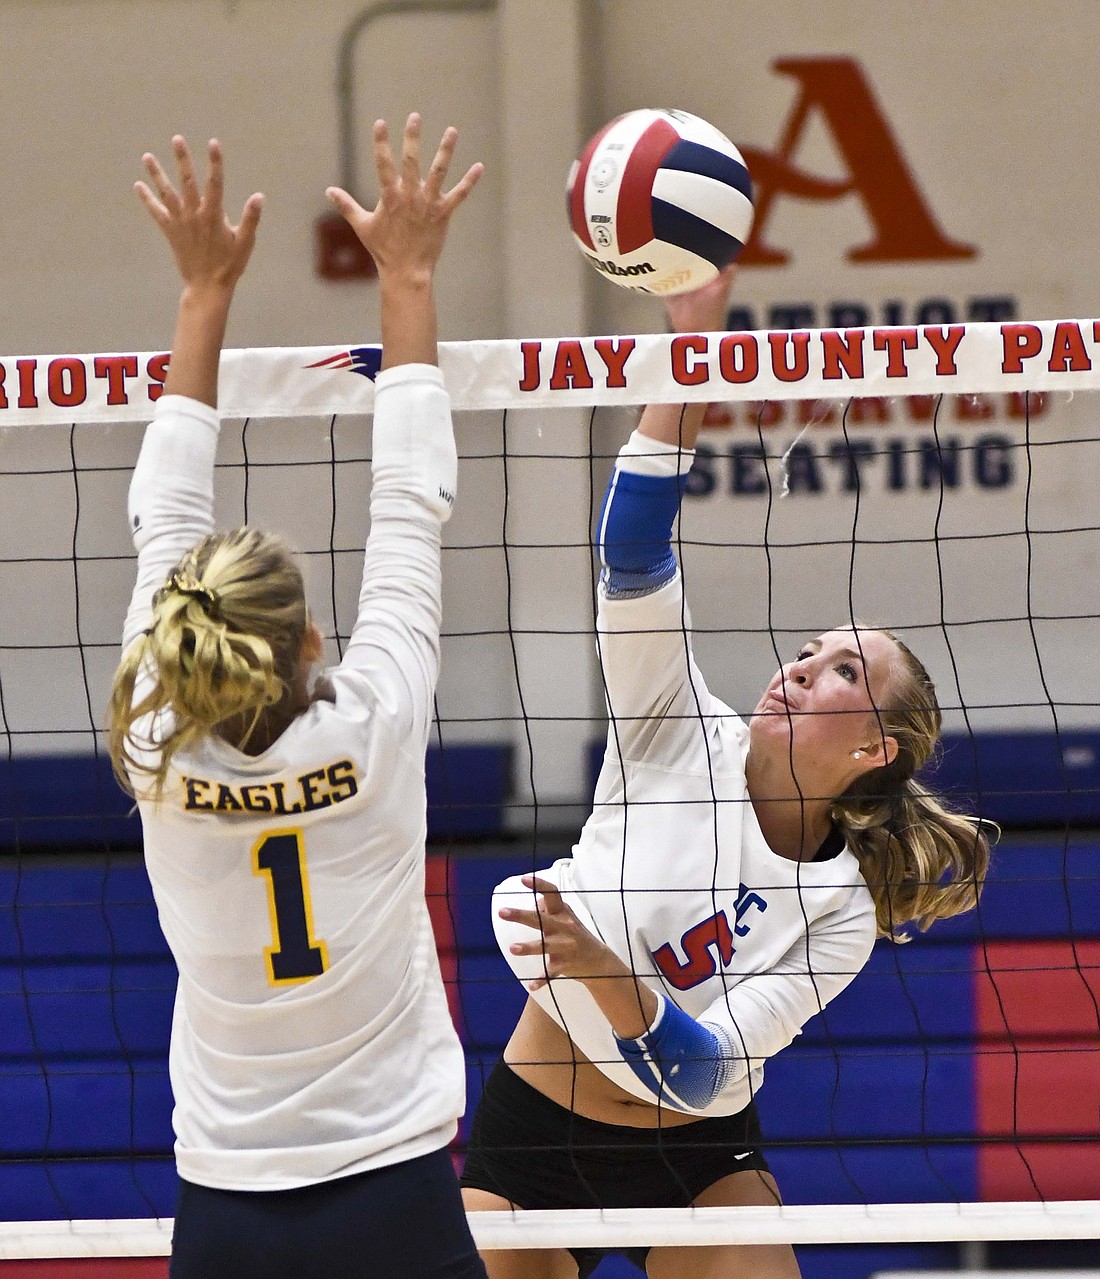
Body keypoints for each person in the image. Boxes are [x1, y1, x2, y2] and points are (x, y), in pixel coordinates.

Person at [460, 266, 993, 1279]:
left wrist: (604, 972)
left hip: (693, 1155)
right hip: (537, 1129)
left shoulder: (840, 908)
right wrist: (690, 344)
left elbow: (701, 1073)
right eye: (807, 649)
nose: (800, 667)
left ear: (873, 750)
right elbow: (630, 550)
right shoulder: (675, 727)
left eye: (845, 670)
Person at [107, 117, 486, 1279]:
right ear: (313, 639)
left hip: (227, 1204)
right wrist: (409, 277)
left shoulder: (154, 746)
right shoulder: (373, 728)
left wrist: (201, 292)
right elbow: (409, 504)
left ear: (180, 641)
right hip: (396, 1186)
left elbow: (162, 518)